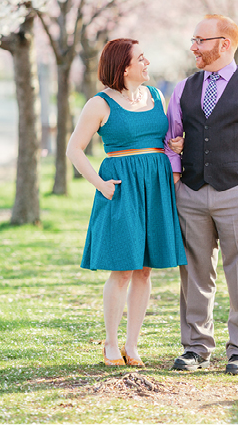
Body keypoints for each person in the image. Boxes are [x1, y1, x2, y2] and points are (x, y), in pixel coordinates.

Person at [165, 14, 238, 375]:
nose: (194, 46)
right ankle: (196, 347)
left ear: (224, 43)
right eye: (194, 39)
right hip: (192, 193)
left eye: (201, 40)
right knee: (195, 273)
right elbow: (171, 138)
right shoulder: (184, 88)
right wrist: (178, 180)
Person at [67, 38, 186, 367]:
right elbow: (74, 149)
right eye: (142, 59)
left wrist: (174, 146)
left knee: (145, 271)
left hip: (156, 185)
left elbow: (158, 140)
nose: (148, 63)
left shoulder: (155, 96)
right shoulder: (100, 104)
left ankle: (132, 346)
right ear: (124, 67)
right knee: (122, 270)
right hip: (122, 188)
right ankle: (111, 343)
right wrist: (101, 185)